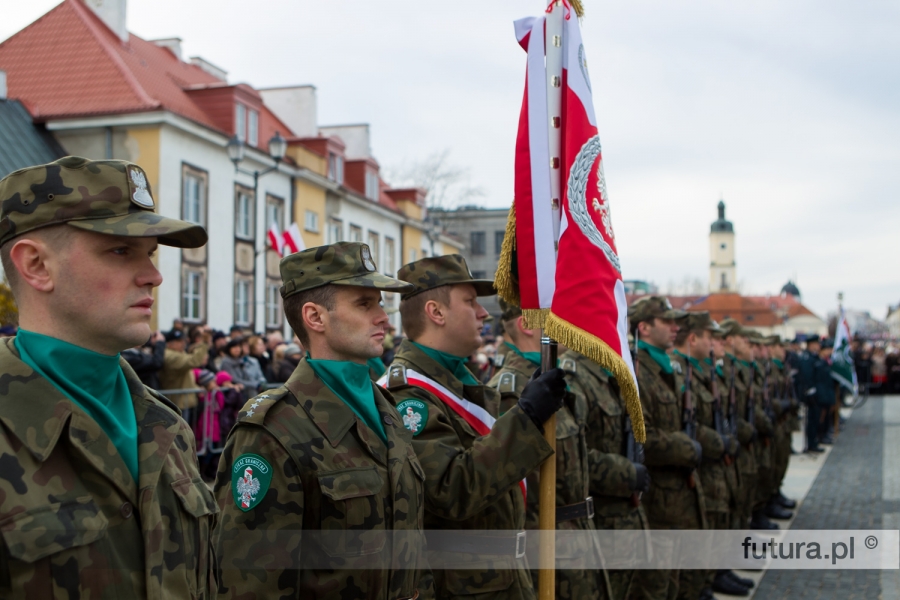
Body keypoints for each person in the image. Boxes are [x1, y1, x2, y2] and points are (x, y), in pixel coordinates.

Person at [0, 156, 215, 597]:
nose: (154, 276)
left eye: (150, 254)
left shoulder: (166, 427)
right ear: (37, 266)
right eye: (120, 250)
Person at [213, 241, 432, 599]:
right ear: (315, 317)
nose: (383, 317)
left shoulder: (386, 409)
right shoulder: (274, 430)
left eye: (379, 302)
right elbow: (250, 585)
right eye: (365, 303)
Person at [383, 255, 566, 600]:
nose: (484, 314)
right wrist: (526, 419)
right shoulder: (409, 395)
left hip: (501, 578)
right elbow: (452, 489)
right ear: (436, 313)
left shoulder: (458, 382)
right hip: (464, 587)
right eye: (470, 302)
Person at [487, 299, 610, 600]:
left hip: (576, 540)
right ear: (527, 325)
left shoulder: (551, 383)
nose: (571, 324)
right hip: (545, 548)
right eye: (558, 316)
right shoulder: (510, 391)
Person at [628, 296, 706, 600]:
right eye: (667, 321)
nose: (676, 328)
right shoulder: (638, 371)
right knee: (656, 584)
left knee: (673, 577)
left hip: (677, 495)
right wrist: (687, 448)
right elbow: (643, 436)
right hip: (656, 498)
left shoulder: (666, 367)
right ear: (644, 327)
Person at [671, 313, 745, 599]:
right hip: (700, 463)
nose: (717, 343)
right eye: (710, 337)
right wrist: (717, 442)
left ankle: (714, 575)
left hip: (714, 461)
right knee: (704, 529)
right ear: (693, 339)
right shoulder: (681, 371)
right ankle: (705, 582)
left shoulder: (702, 370)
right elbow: (686, 421)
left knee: (719, 520)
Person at [159, 326, 210, 426]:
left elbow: (186, 376)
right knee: (181, 433)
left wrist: (196, 388)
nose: (183, 343)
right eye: (179, 341)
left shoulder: (178, 353)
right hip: (178, 403)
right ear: (170, 343)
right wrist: (204, 343)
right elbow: (194, 361)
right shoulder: (170, 356)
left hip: (184, 400)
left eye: (183, 340)